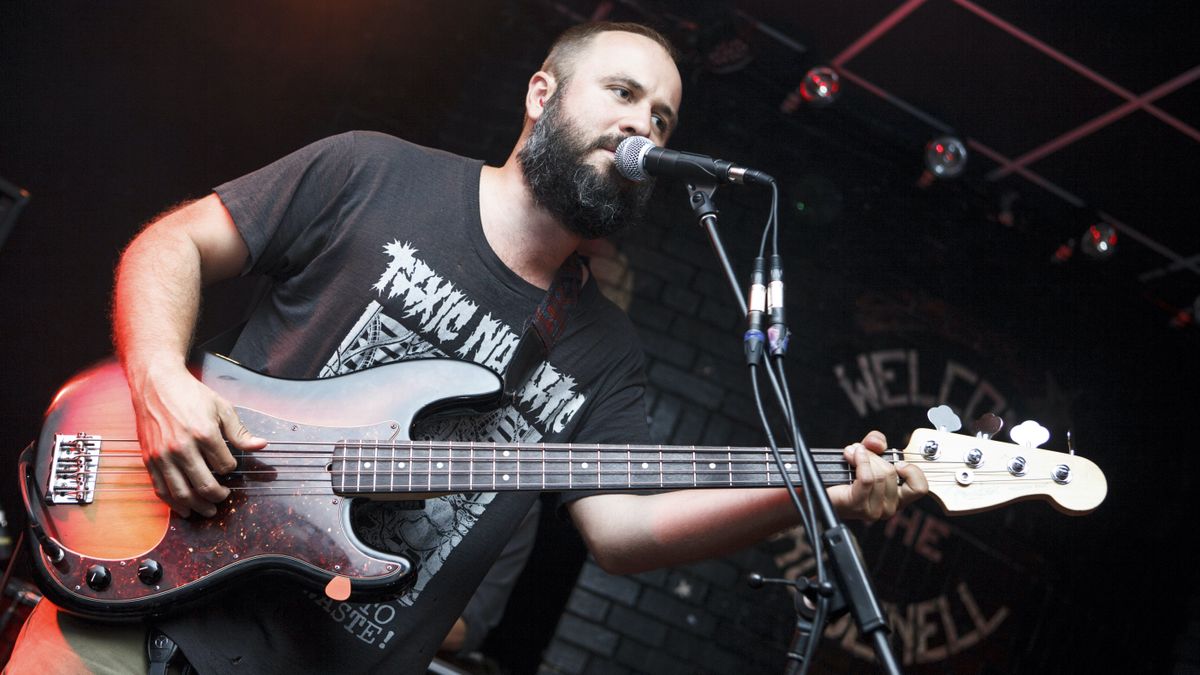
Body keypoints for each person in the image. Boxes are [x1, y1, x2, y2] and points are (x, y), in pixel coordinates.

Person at [6, 21, 927, 674]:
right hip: (138, 594)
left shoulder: (604, 356)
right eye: (623, 92)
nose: (644, 125)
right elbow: (172, 246)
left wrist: (815, 494)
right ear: (542, 94)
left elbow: (624, 533)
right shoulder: (373, 172)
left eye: (664, 117)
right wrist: (162, 379)